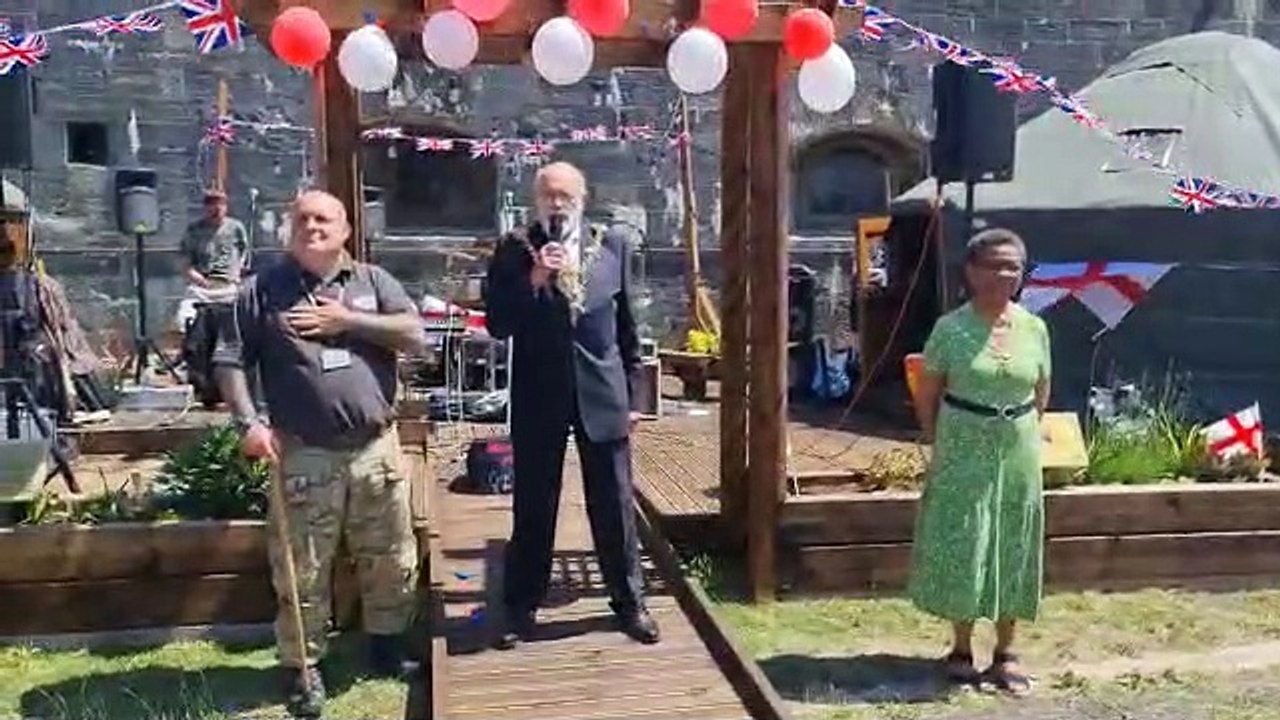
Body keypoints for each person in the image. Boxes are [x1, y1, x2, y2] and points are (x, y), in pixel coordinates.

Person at [212, 190, 428, 718]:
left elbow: (414, 332)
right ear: (291, 228)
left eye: (324, 218)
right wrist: (248, 424)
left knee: (390, 557)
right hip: (304, 453)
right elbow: (229, 360)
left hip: (376, 449)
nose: (313, 226)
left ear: (346, 229)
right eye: (303, 218)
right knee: (301, 568)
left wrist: (348, 322)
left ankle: (386, 647)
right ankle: (303, 668)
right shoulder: (262, 290)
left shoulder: (372, 282)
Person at [484, 161, 659, 649]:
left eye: (565, 195)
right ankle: (520, 608)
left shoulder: (613, 245)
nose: (556, 203)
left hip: (603, 395)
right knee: (534, 503)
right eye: (548, 195)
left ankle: (629, 603)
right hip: (540, 394)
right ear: (536, 200)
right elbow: (497, 321)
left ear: (583, 197)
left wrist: (636, 394)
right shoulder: (516, 249)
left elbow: (627, 328)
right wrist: (535, 279)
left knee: (614, 503)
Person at [907, 228, 1051, 695]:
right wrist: (938, 441)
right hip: (963, 443)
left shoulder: (1035, 327)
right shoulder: (950, 328)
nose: (1003, 275)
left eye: (1012, 266)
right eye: (992, 265)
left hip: (1018, 445)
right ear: (971, 271)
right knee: (967, 538)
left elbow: (1042, 391)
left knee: (1014, 539)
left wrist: (1024, 430)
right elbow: (927, 392)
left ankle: (1006, 650)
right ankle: (962, 647)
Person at [176, 188, 249, 331]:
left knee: (246, 318)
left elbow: (243, 252)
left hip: (229, 289)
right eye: (212, 204)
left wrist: (237, 272)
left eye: (220, 204)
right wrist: (199, 280)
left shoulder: (236, 228)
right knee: (182, 321)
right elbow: (185, 262)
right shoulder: (194, 230)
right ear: (205, 207)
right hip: (201, 289)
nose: (216, 208)